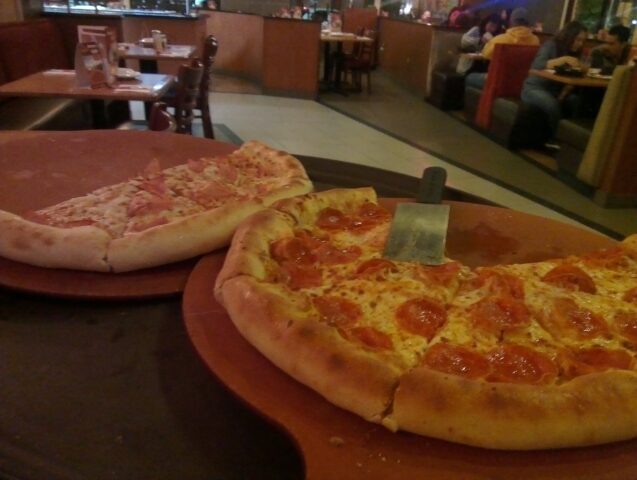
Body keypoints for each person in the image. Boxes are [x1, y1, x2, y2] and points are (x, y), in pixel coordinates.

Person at [520, 21, 588, 148]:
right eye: (578, 39)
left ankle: (571, 141)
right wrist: (563, 60)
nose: (580, 44)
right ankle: (553, 139)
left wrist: (583, 67)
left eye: (583, 41)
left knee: (576, 102)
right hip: (535, 88)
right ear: (569, 36)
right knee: (552, 105)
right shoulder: (551, 45)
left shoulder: (576, 53)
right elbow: (537, 65)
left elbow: (585, 67)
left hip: (557, 90)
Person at [465, 8, 539, 89]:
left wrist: (488, 42)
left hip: (497, 82)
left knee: (470, 76)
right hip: (521, 83)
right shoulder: (536, 41)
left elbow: (485, 54)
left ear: (511, 21)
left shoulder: (500, 40)